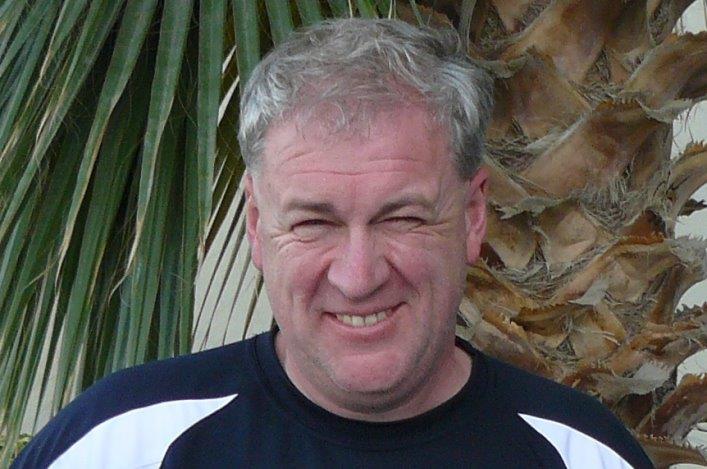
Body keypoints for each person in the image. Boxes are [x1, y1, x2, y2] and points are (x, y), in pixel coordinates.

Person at [13, 18, 653, 468]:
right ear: (257, 224)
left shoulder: (584, 456)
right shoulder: (118, 448)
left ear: (473, 216)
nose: (358, 275)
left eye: (401, 218)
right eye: (314, 223)